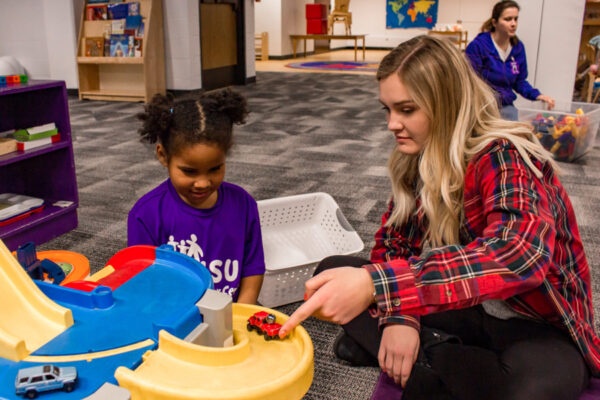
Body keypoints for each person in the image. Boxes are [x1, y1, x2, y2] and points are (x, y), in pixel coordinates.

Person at [279, 35, 599, 400]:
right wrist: (402, 316)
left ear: (447, 104)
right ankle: (432, 358)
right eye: (388, 109)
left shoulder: (505, 156)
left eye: (407, 109)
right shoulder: (417, 155)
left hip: (533, 324)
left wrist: (383, 290)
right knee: (331, 273)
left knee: (536, 387)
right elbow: (393, 243)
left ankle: (420, 359)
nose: (391, 124)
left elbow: (518, 255)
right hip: (463, 303)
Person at [128, 89, 265, 304]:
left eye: (215, 169)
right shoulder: (146, 215)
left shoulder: (244, 204)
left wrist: (240, 315)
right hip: (175, 320)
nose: (203, 183)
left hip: (231, 315)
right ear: (163, 155)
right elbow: (143, 284)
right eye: (189, 171)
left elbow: (253, 266)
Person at [465, 0, 555, 121]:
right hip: (482, 107)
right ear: (495, 22)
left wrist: (538, 95)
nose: (513, 24)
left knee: (516, 134)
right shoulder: (478, 46)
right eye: (507, 19)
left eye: (515, 19)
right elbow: (469, 81)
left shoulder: (518, 48)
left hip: (506, 107)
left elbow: (520, 81)